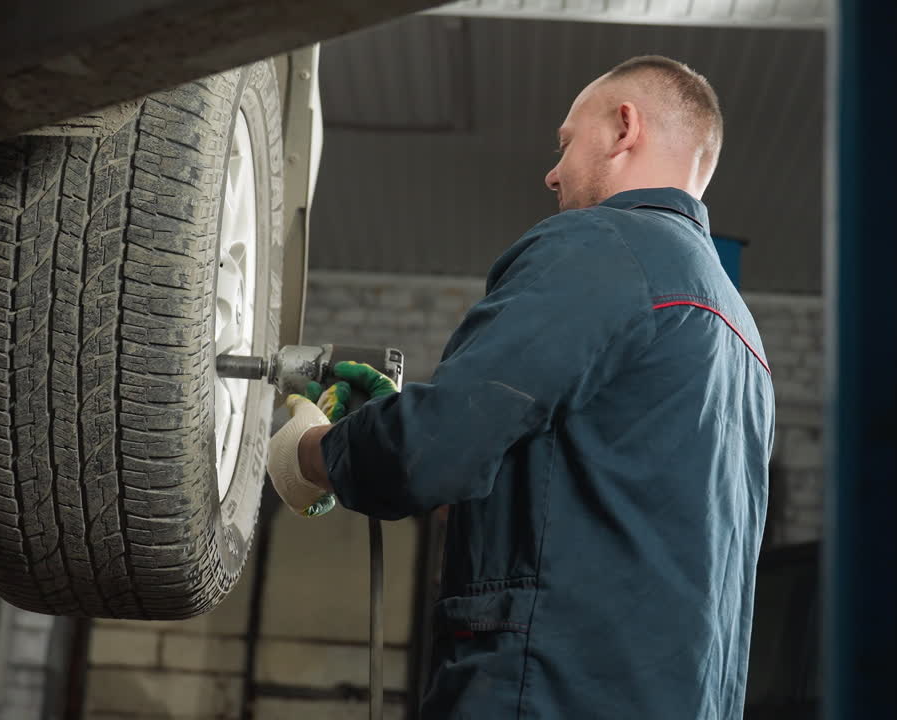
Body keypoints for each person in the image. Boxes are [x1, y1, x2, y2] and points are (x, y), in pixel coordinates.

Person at [267, 55, 775, 719]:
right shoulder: (744, 336)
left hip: (547, 695)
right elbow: (593, 496)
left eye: (565, 143)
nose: (553, 172)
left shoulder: (606, 246)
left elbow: (433, 449)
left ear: (624, 129)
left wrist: (310, 453)